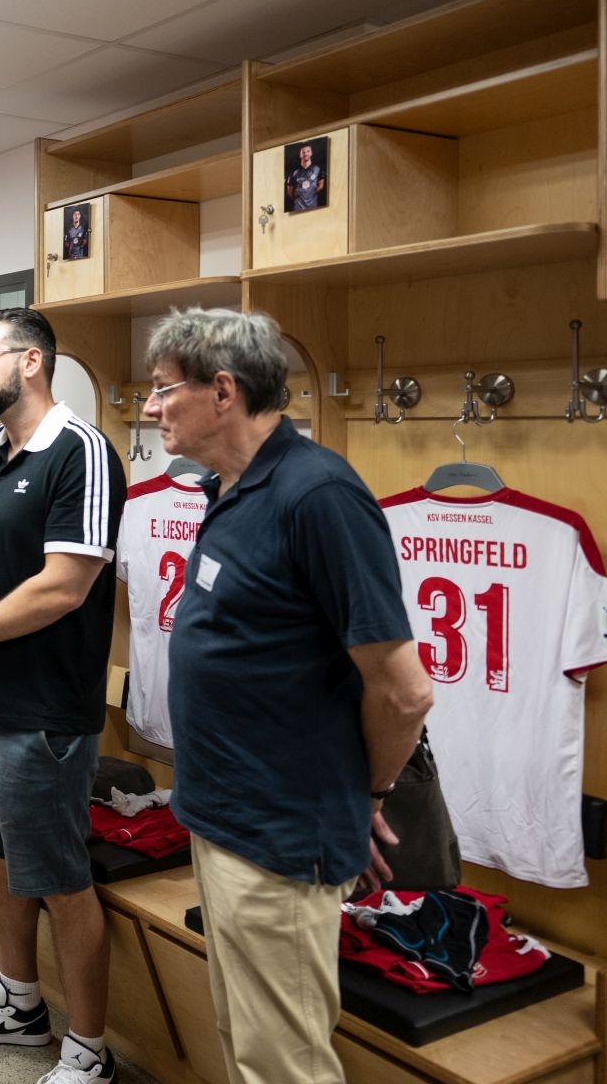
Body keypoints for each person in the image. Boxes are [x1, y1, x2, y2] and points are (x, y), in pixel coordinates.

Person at [143, 308, 430, 1084]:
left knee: (284, 1064)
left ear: (223, 392)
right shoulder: (232, 486)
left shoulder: (319, 495)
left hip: (280, 831)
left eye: (164, 389)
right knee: (247, 1043)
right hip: (222, 817)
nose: (151, 406)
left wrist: (368, 793)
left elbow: (404, 691)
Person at [0, 307, 124, 1084]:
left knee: (58, 880)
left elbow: (63, 587)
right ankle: (18, 1003)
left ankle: (89, 1050)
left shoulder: (82, 452)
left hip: (41, 714)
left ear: (31, 361)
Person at [286, 141, 326, 212]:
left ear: (311, 153)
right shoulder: (294, 172)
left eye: (308, 151)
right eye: (303, 152)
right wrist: (300, 197)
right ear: (300, 155)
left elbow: (321, 186)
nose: (305, 154)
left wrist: (310, 193)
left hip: (314, 208)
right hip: (298, 209)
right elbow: (289, 192)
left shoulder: (317, 169)